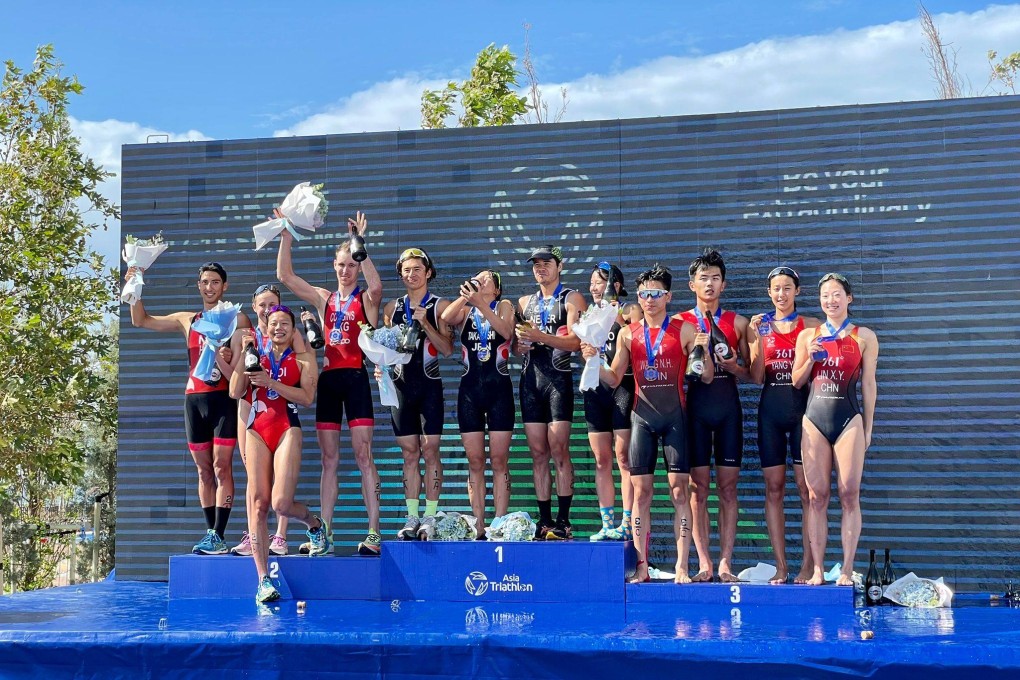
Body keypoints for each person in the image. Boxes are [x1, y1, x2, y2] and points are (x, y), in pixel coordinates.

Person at [583, 264, 712, 583]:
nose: (649, 300)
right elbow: (614, 380)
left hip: (674, 418)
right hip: (642, 417)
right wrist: (594, 358)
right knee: (640, 494)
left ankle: (682, 565)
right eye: (644, 294)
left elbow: (705, 376)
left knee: (680, 492)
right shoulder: (628, 333)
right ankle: (642, 565)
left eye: (655, 294)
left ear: (667, 296)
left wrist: (703, 351)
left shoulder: (683, 329)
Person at [276, 211, 385, 556]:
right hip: (329, 381)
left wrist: (360, 246)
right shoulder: (324, 298)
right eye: (341, 264)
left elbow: (378, 288)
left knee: (363, 455)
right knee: (329, 459)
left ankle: (373, 532)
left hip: (355, 378)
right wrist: (286, 236)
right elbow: (286, 276)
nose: (345, 270)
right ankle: (325, 535)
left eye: (351, 264)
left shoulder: (363, 298)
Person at [126, 262, 251, 554]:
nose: (210, 287)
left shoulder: (238, 317)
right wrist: (135, 286)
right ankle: (210, 533)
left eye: (215, 282)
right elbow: (140, 320)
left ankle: (219, 534)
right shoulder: (188, 320)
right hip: (194, 401)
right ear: (199, 285)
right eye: (205, 282)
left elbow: (241, 360)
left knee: (222, 466)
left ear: (225, 286)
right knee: (203, 470)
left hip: (223, 400)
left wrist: (231, 351)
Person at [228, 305, 329, 602]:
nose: (278, 328)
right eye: (273, 323)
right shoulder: (254, 354)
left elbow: (308, 397)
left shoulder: (304, 358)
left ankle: (313, 523)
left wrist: (271, 383)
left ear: (293, 329)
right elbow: (235, 392)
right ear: (266, 328)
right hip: (257, 428)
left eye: (285, 323)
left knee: (281, 504)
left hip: (287, 427)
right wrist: (244, 355)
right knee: (258, 504)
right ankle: (263, 580)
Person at [792, 273, 879, 587]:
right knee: (817, 497)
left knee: (849, 494)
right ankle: (817, 569)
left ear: (849, 298)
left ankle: (845, 569)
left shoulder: (864, 336)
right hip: (814, 418)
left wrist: (868, 428)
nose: (831, 300)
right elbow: (796, 381)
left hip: (849, 418)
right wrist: (810, 359)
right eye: (825, 295)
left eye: (837, 294)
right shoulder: (808, 336)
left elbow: (868, 385)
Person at [676, 248, 751, 583]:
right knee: (697, 488)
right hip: (694, 410)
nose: (709, 283)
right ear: (692, 284)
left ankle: (725, 562)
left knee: (729, 488)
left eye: (715, 278)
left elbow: (753, 373)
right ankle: (704, 561)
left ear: (723, 284)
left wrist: (734, 363)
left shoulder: (737, 322)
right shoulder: (678, 322)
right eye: (703, 278)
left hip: (727, 408)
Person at [747, 267, 821, 584]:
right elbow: (757, 377)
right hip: (771, 413)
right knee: (774, 490)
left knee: (808, 492)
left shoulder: (813, 326)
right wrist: (753, 340)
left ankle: (808, 565)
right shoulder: (760, 326)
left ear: (797, 291)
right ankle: (781, 566)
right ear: (769, 292)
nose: (781, 294)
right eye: (776, 288)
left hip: (804, 412)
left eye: (787, 288)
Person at [228, 284, 313, 557]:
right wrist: (230, 357)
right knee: (254, 476)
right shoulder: (246, 336)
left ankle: (280, 535)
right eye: (261, 305)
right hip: (250, 407)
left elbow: (304, 367)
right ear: (254, 307)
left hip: (281, 410)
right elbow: (235, 381)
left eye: (271, 304)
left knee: (281, 484)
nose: (266, 310)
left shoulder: (289, 332)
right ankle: (254, 533)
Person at [515, 245, 587, 540]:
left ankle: (564, 520)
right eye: (536, 264)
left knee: (559, 450)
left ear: (560, 265)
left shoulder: (571, 298)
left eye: (546, 263)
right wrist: (522, 345)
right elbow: (518, 345)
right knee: (537, 453)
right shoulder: (524, 301)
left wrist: (539, 337)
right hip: (530, 381)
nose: (540, 268)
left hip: (558, 381)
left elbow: (575, 343)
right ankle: (544, 520)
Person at [384, 248, 453, 541]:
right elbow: (386, 349)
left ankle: (430, 516)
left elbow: (448, 350)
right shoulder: (391, 308)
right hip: (400, 388)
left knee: (430, 450)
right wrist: (380, 366)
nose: (411, 274)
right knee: (409, 453)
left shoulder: (440, 306)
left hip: (429, 387)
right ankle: (412, 516)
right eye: (406, 270)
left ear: (428, 272)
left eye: (416, 269)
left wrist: (425, 323)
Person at [441, 270, 516, 538]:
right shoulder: (467, 310)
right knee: (475, 460)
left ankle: (500, 521)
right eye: (477, 277)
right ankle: (479, 523)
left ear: (496, 289)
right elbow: (446, 318)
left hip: (499, 391)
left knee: (498, 460)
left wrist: (481, 303)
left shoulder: (504, 306)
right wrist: (465, 297)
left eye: (486, 279)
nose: (480, 280)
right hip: (470, 392)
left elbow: (507, 332)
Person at [582, 262, 637, 541]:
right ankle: (607, 524)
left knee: (623, 458)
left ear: (614, 285)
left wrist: (614, 314)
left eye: (599, 282)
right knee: (601, 460)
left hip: (622, 387)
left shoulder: (629, 310)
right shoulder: (589, 313)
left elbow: (636, 337)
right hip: (595, 389)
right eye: (591, 282)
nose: (593, 287)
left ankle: (627, 523)